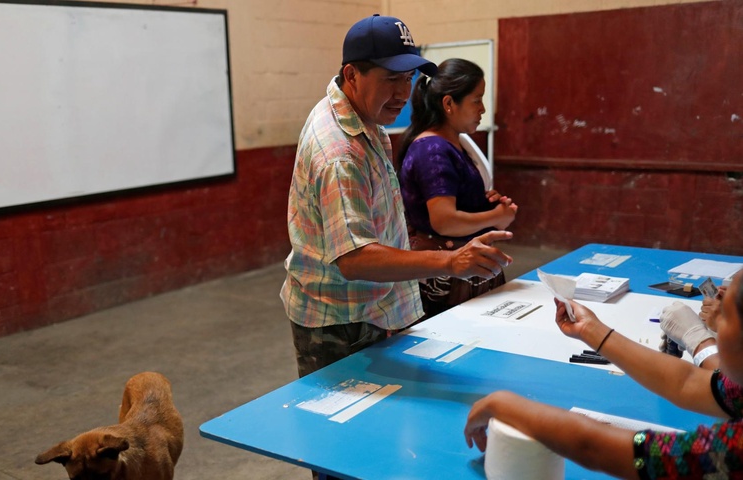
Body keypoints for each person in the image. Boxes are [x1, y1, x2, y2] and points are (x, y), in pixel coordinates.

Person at [281, 14, 514, 381]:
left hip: (369, 307)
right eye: (391, 79)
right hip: (340, 321)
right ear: (352, 74)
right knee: (346, 430)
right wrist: (451, 262)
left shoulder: (361, 114)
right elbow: (355, 259)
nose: (404, 93)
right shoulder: (339, 152)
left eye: (408, 78)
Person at [464, 270, 743, 479]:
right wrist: (591, 329)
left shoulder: (732, 450)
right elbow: (689, 383)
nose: (714, 327)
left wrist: (502, 403)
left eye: (724, 318)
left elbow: (594, 447)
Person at [396, 58, 518, 318]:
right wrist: (496, 217)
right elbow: (445, 221)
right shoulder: (433, 150)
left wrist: (484, 202)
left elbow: (454, 200)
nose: (483, 109)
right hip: (447, 280)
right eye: (476, 100)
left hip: (463, 273)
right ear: (449, 104)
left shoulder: (450, 144)